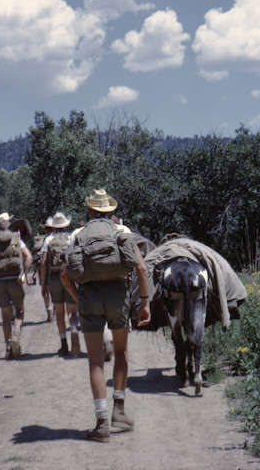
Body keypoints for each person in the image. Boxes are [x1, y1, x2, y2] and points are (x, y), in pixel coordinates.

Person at [61, 189, 151, 443]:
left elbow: (65, 276)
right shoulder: (122, 232)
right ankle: (119, 411)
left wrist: (80, 300)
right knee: (121, 354)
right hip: (118, 295)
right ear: (111, 211)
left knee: (96, 361)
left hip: (89, 296)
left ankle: (101, 423)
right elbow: (141, 269)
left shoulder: (77, 235)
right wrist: (145, 303)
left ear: (90, 211)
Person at [0, 214, 32, 360]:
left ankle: (8, 347)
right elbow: (28, 257)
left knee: (5, 317)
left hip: (0, 283)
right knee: (20, 311)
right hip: (15, 281)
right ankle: (16, 335)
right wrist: (24, 274)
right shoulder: (16, 238)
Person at [39, 212, 81, 356]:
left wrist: (43, 284)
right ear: (66, 225)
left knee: (59, 312)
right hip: (70, 276)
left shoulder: (48, 239)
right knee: (72, 311)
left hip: (55, 278)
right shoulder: (72, 237)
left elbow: (43, 263)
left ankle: (64, 345)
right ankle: (74, 328)